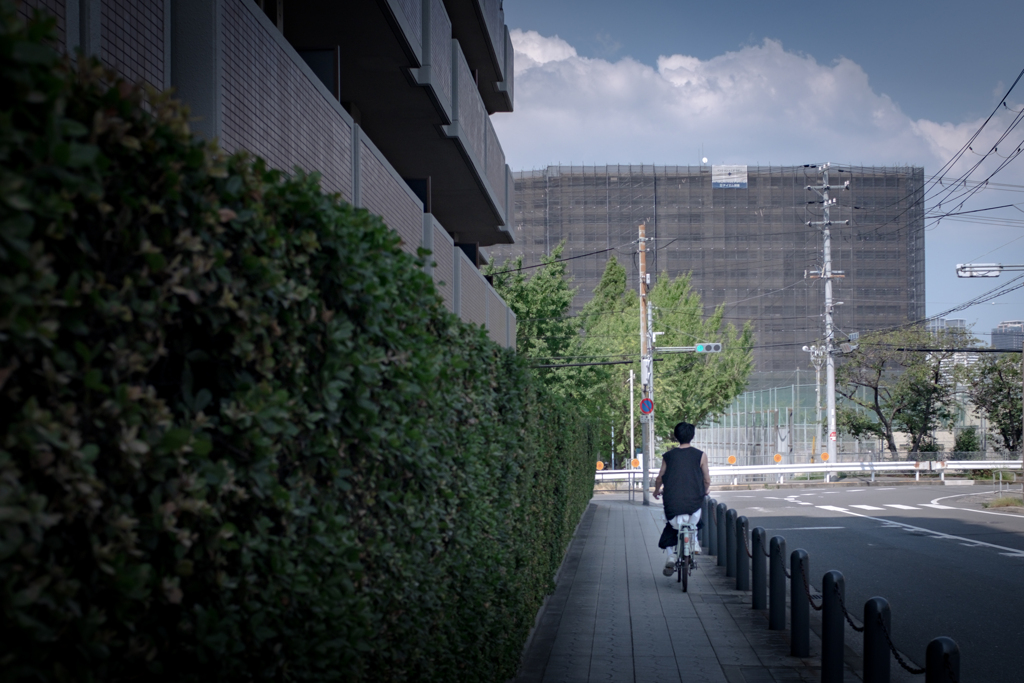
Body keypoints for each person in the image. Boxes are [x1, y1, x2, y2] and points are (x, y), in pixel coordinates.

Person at [653, 421, 711, 576]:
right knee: (695, 521)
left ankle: (671, 555)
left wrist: (656, 491)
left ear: (676, 436)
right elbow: (707, 480)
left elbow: (659, 478)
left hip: (672, 502)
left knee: (671, 527)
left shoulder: (668, 456)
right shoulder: (701, 455)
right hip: (694, 503)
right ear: (692, 436)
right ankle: (695, 543)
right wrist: (705, 491)